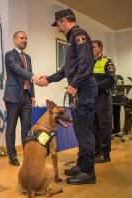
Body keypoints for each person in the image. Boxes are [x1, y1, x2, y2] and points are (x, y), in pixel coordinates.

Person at [38, 8, 98, 184]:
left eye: (58, 24)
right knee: (80, 129)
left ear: (64, 20)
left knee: (84, 131)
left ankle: (88, 173)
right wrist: (48, 79)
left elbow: (86, 63)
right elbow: (67, 70)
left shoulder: (79, 35)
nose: (58, 27)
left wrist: (74, 84)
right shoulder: (72, 39)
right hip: (79, 91)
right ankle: (81, 166)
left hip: (84, 90)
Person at [4, 31, 41, 166]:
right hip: (13, 97)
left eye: (26, 38)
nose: (24, 40)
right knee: (11, 128)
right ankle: (12, 156)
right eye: (21, 38)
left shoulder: (28, 57)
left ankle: (27, 155)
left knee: (26, 128)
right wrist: (34, 76)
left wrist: (32, 95)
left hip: (26, 96)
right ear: (14, 40)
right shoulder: (9, 55)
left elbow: (29, 78)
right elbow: (18, 69)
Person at [92, 40, 116, 163]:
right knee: (94, 126)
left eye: (94, 47)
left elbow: (111, 81)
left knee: (104, 126)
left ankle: (106, 154)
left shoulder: (108, 62)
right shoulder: (89, 63)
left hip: (103, 98)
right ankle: (97, 152)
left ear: (100, 48)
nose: (92, 49)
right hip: (92, 99)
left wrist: (95, 86)